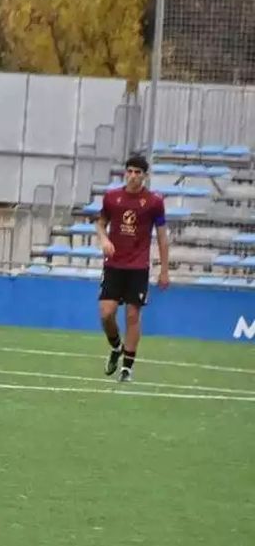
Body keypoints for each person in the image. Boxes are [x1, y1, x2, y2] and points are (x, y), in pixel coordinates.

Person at [97, 154, 170, 382]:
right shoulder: (112, 198)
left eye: (138, 172)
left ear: (145, 176)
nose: (133, 176)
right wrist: (104, 239)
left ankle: (127, 368)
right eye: (130, 171)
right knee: (106, 314)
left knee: (132, 315)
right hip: (114, 264)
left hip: (138, 266)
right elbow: (101, 223)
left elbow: (162, 236)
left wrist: (164, 270)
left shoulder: (154, 202)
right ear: (125, 173)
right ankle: (116, 346)